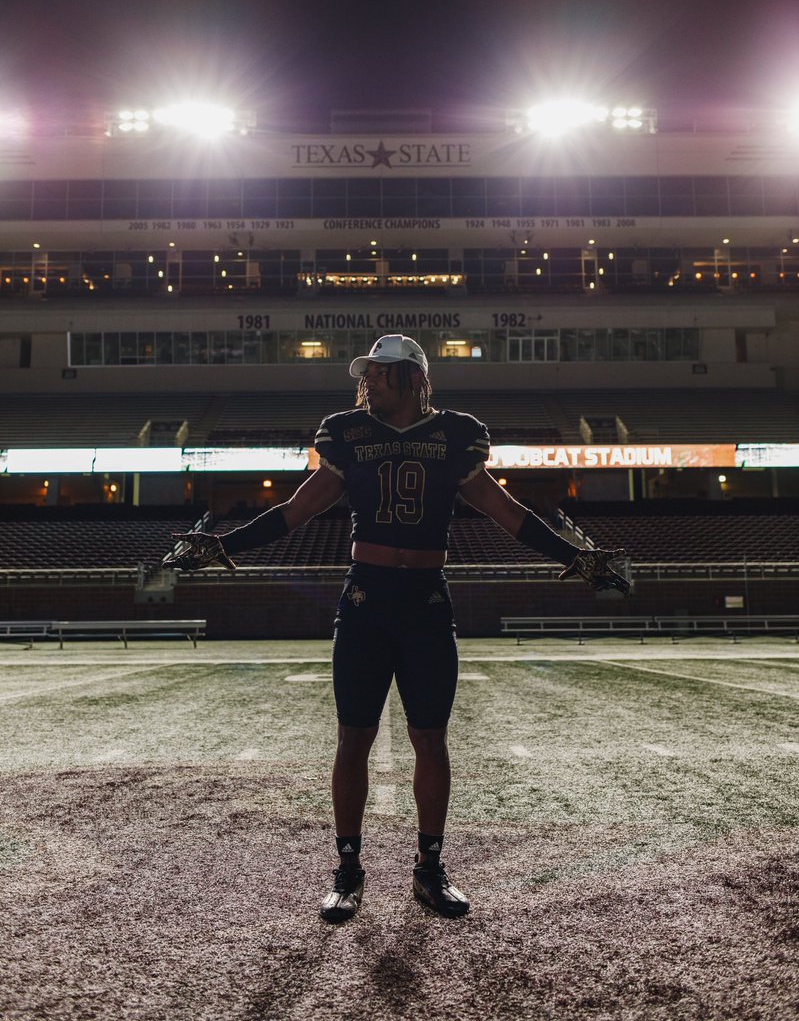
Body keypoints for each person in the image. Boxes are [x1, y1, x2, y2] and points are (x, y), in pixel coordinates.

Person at [165, 334, 628, 923]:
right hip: (366, 598)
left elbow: (508, 513)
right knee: (353, 736)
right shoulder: (348, 433)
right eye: (368, 375)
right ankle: (348, 868)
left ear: (411, 377)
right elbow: (295, 512)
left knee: (430, 738)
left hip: (427, 600)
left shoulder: (456, 434)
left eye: (380, 374)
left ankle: (429, 869)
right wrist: (224, 545)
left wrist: (571, 555)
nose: (369, 383)